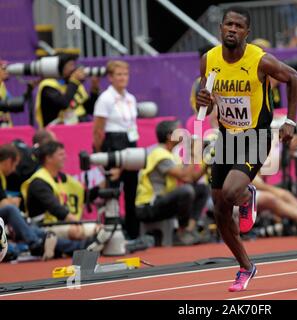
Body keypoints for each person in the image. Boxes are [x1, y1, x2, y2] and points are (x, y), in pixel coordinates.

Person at [196, 6, 297, 292]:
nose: (232, 29)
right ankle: (245, 266)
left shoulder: (259, 60)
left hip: (256, 136)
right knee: (219, 209)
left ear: (246, 32)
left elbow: (293, 77)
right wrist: (202, 100)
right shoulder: (209, 60)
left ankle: (247, 194)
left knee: (231, 192)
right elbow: (202, 108)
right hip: (227, 137)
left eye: (238, 26)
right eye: (228, 24)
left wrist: (290, 120)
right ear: (221, 28)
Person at [135, 120, 209, 245]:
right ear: (170, 136)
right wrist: (192, 152)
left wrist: (208, 162)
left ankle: (188, 230)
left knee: (202, 189)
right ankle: (181, 232)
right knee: (186, 191)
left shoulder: (171, 155)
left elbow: (191, 179)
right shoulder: (159, 154)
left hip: (162, 200)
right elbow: (184, 175)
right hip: (148, 206)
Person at [93, 60, 140, 239]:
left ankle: (132, 233)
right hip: (113, 143)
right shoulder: (105, 99)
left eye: (125, 74)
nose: (122, 78)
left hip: (130, 142)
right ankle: (111, 233)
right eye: (118, 75)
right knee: (113, 189)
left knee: (132, 189)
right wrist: (100, 155)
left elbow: (132, 125)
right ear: (110, 78)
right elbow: (97, 130)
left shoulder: (131, 98)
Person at [21, 141, 95, 240]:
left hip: (63, 224)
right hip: (43, 227)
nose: (65, 157)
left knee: (101, 229)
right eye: (61, 154)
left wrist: (105, 182)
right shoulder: (38, 182)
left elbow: (86, 196)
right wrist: (78, 223)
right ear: (48, 158)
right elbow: (55, 209)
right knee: (77, 231)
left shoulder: (63, 178)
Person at [35, 54, 100, 128]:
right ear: (60, 68)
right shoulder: (48, 86)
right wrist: (74, 82)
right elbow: (64, 104)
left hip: (81, 125)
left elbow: (90, 110)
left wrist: (94, 89)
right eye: (70, 65)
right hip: (57, 129)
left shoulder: (74, 85)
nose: (74, 69)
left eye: (74, 65)